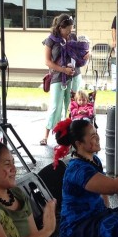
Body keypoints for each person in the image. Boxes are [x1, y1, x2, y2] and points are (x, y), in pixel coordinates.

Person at [41, 14, 85, 146]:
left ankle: (70, 136)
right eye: (68, 29)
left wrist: (86, 55)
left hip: (74, 75)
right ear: (61, 27)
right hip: (58, 77)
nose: (70, 32)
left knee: (72, 106)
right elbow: (47, 62)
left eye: (72, 29)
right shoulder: (51, 40)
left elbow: (80, 54)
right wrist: (63, 69)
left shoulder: (72, 37)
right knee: (55, 106)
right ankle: (46, 135)